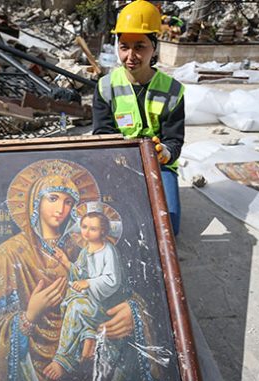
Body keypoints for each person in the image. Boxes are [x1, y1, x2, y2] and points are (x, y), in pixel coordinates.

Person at [0, 159, 163, 381]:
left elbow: (121, 291)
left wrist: (132, 313)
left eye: (69, 202)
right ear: (35, 202)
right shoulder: (7, 256)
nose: (62, 209)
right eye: (53, 198)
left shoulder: (89, 248)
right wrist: (28, 316)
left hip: (97, 370)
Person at [93, 0, 186, 234]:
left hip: (159, 165)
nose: (130, 55)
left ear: (154, 47)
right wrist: (120, 162)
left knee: (168, 229)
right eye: (124, 46)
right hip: (118, 162)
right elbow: (102, 134)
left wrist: (165, 153)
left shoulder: (173, 90)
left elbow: (175, 140)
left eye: (140, 46)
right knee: (113, 225)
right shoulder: (106, 87)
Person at [44, 211, 127, 381]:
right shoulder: (85, 250)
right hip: (91, 300)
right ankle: (88, 337)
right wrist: (66, 262)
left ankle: (63, 359)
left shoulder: (108, 251)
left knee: (75, 307)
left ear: (103, 232)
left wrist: (88, 283)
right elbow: (80, 273)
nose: (87, 232)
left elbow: (112, 281)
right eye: (84, 227)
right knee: (69, 297)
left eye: (93, 229)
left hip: (105, 306)